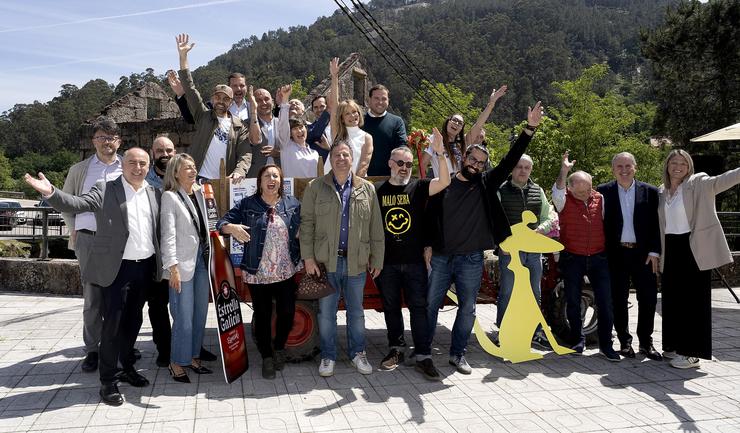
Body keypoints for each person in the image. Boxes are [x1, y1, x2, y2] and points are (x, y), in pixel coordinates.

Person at [24, 147, 162, 406]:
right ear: (123, 165)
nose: (138, 167)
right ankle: (107, 381)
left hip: (144, 268)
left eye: (143, 163)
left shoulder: (154, 192)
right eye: (132, 162)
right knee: (111, 326)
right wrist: (50, 192)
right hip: (116, 269)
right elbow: (78, 204)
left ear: (148, 165)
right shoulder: (105, 187)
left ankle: (127, 367)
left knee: (133, 322)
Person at [425, 101, 543, 374]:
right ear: (463, 158)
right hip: (442, 256)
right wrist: (428, 246)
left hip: (471, 259)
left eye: (481, 162)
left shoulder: (487, 184)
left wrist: (530, 129)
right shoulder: (444, 183)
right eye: (472, 159)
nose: (476, 165)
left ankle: (457, 353)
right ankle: (423, 351)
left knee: (468, 308)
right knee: (430, 305)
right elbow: (430, 217)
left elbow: (510, 160)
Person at [301, 141, 384, 377]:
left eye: (345, 154)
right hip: (327, 263)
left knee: (356, 312)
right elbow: (306, 225)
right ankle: (328, 356)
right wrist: (308, 257)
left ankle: (358, 353)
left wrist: (377, 258)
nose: (341, 158)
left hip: (356, 263)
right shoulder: (315, 187)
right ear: (331, 159)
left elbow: (376, 227)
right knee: (326, 314)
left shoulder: (366, 189)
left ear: (352, 159)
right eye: (336, 155)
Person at [374, 128, 450, 380]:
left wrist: (439, 153)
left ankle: (423, 356)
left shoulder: (418, 187)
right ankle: (396, 349)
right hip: (387, 263)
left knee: (419, 308)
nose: (404, 167)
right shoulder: (378, 191)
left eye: (408, 164)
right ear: (390, 164)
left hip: (415, 262)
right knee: (391, 308)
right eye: (400, 163)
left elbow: (445, 182)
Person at [217, 165, 301, 379]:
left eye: (275, 176)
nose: (271, 179)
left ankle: (279, 348)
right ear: (260, 182)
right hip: (257, 272)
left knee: (287, 312)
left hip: (285, 270)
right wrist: (232, 228)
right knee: (262, 316)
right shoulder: (248, 204)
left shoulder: (292, 204)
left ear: (281, 181)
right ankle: (267, 357)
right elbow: (222, 223)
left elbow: (306, 225)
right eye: (267, 176)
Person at [658, 150, 740, 369]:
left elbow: (725, 180)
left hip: (694, 247)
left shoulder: (698, 183)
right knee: (673, 300)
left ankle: (692, 354)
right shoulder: (662, 191)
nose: (678, 166)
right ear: (667, 165)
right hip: (671, 248)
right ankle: (674, 345)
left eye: (683, 163)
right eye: (674, 162)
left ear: (689, 166)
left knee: (694, 302)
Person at [61, 116, 123, 373]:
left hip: (120, 241)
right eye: (101, 137)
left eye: (111, 137)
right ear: (93, 141)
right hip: (88, 238)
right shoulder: (80, 170)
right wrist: (73, 229)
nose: (106, 142)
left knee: (119, 298)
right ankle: (93, 350)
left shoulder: (128, 166)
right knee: (93, 299)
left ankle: (118, 345)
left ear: (118, 141)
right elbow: (65, 201)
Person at [552, 152, 619, 361]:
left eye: (588, 190)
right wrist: (564, 170)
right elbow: (557, 188)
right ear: (571, 189)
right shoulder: (563, 201)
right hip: (573, 257)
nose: (585, 195)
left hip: (599, 258)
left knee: (606, 302)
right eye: (579, 192)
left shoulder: (600, 199)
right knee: (572, 300)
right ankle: (577, 340)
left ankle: (606, 345)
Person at [597, 152, 662, 361]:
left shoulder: (651, 192)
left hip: (644, 255)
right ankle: (625, 342)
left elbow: (656, 224)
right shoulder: (602, 191)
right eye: (619, 166)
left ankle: (646, 342)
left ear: (635, 167)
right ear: (612, 169)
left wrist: (654, 251)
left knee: (648, 298)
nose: (624, 170)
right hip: (616, 255)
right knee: (618, 299)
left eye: (628, 166)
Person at [175, 33, 259, 182]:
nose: (221, 101)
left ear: (231, 102)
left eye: (226, 98)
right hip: (198, 179)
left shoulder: (239, 126)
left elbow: (245, 153)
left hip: (224, 182)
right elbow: (189, 87)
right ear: (213, 99)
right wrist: (183, 57)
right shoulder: (203, 115)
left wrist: (239, 171)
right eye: (218, 97)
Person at [159, 153, 213, 383]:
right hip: (181, 265)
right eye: (187, 168)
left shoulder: (201, 194)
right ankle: (176, 361)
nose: (193, 171)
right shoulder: (170, 197)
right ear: (176, 173)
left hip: (202, 261)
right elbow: (168, 235)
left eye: (194, 166)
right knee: (183, 316)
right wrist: (172, 267)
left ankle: (193, 356)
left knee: (200, 314)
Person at [496, 153, 554, 348]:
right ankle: (503, 332)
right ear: (512, 169)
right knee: (507, 293)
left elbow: (548, 216)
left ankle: (535, 332)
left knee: (534, 293)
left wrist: (541, 229)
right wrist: (501, 243)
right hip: (511, 252)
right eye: (519, 166)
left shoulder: (538, 191)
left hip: (533, 251)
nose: (522, 170)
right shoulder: (501, 190)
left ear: (531, 170)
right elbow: (493, 221)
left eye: (526, 167)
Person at [141, 135, 176, 367]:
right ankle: (164, 349)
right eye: (160, 150)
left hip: (181, 252)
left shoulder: (184, 177)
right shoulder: (142, 180)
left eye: (169, 150)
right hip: (154, 253)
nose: (165, 154)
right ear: (152, 153)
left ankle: (192, 345)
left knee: (184, 304)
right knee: (158, 304)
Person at [421, 86, 507, 178]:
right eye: (454, 120)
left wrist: (491, 103)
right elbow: (423, 163)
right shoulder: (435, 139)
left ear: (462, 128)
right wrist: (420, 186)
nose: (456, 124)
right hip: (441, 188)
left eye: (460, 123)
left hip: (460, 187)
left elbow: (478, 124)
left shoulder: (463, 143)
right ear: (448, 121)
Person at [324, 58, 373, 176]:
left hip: (355, 183)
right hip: (331, 181)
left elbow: (364, 164)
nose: (352, 116)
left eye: (354, 111)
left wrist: (353, 186)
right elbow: (335, 104)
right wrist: (334, 77)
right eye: (347, 113)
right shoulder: (338, 133)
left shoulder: (367, 137)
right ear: (341, 118)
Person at [275, 85, 320, 178]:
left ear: (306, 128)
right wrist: (285, 99)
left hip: (312, 192)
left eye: (301, 127)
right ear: (290, 133)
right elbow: (283, 124)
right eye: (295, 129)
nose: (299, 131)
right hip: (293, 192)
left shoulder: (314, 153)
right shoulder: (286, 146)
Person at [363, 83, 407, 176]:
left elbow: (402, 147)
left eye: (384, 99)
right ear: (369, 100)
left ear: (388, 101)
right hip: (362, 178)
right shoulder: (359, 122)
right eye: (376, 98)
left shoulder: (397, 122)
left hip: (389, 179)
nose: (380, 102)